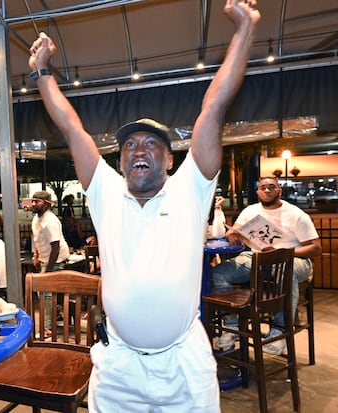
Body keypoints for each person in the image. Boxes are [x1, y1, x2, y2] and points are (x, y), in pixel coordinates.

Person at [27, 0, 260, 410]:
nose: (140, 149)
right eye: (130, 145)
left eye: (153, 144)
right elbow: (70, 125)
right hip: (118, 366)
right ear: (120, 163)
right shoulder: (105, 192)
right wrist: (42, 71)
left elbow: (214, 106)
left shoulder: (191, 187)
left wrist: (243, 30)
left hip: (183, 363)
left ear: (170, 160)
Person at [212, 176, 321, 354]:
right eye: (263, 187)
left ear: (279, 190)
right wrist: (231, 232)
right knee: (219, 273)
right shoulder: (251, 211)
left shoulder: (296, 214)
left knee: (286, 269)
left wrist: (283, 253)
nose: (267, 190)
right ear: (258, 192)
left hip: (295, 259)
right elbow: (235, 228)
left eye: (272, 187)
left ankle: (280, 330)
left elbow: (316, 248)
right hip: (257, 257)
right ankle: (232, 327)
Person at [31, 190, 70, 335]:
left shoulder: (50, 221)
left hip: (56, 259)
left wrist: (48, 270)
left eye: (37, 202)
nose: (34, 204)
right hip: (44, 258)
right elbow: (36, 238)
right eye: (33, 201)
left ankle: (47, 329)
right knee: (48, 293)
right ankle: (58, 316)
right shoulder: (36, 218)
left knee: (46, 294)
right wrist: (36, 255)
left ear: (47, 204)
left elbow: (56, 247)